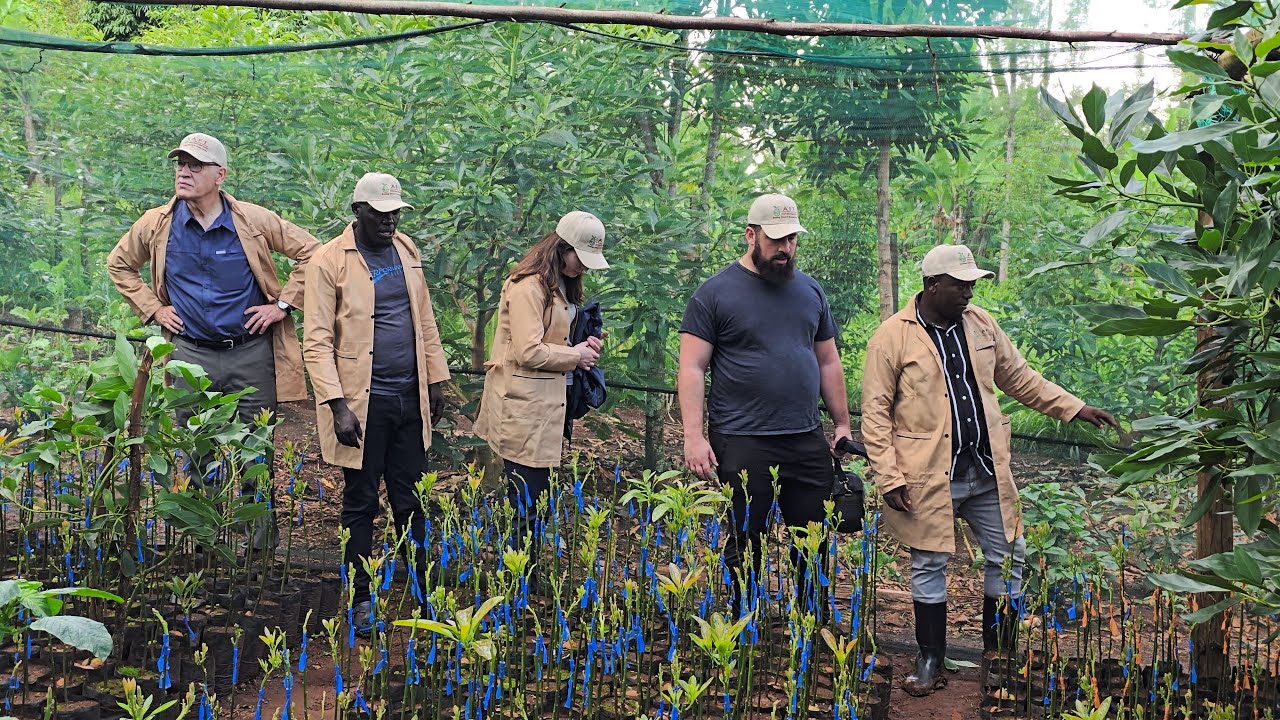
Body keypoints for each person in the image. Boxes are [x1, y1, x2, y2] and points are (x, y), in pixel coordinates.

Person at [860, 243, 1118, 697]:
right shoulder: (892, 337)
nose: (967, 293)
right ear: (931, 285)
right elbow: (876, 413)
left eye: (972, 285)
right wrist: (889, 475)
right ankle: (930, 658)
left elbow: (1020, 378)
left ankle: (999, 656)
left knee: (1009, 555)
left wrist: (1075, 408)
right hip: (926, 472)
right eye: (959, 286)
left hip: (984, 471)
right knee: (929, 563)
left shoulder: (981, 326)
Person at [107, 132, 320, 550]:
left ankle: (260, 546)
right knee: (194, 447)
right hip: (189, 355)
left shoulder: (254, 221)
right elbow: (120, 265)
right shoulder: (157, 224)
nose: (184, 172)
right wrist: (153, 309)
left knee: (256, 451)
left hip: (250, 354)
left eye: (195, 165)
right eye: (180, 164)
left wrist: (282, 305)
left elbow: (313, 253)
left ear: (220, 175)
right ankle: (200, 543)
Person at [678, 192, 853, 618]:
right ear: (750, 235)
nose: (785, 248)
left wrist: (843, 424)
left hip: (805, 436)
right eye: (776, 240)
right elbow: (692, 367)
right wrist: (694, 437)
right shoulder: (714, 293)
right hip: (742, 438)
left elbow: (828, 359)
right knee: (746, 536)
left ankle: (812, 625)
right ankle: (741, 624)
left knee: (812, 537)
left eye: (792, 239)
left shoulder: (810, 291)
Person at [302, 172, 451, 632]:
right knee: (361, 501)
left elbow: (423, 319)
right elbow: (316, 341)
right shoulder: (330, 261)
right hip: (363, 406)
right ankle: (362, 598)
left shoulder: (406, 251)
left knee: (412, 500)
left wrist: (436, 380)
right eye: (380, 214)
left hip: (409, 397)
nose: (389, 222)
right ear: (358, 212)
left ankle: (424, 594)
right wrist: (336, 404)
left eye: (395, 214)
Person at [473, 211, 608, 576]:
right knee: (525, 500)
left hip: (549, 407)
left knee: (539, 500)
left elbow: (555, 339)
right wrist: (575, 356)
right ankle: (516, 581)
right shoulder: (527, 287)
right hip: (523, 408)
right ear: (560, 248)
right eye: (580, 258)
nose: (583, 268)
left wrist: (583, 343)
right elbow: (528, 351)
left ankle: (524, 575)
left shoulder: (561, 285)